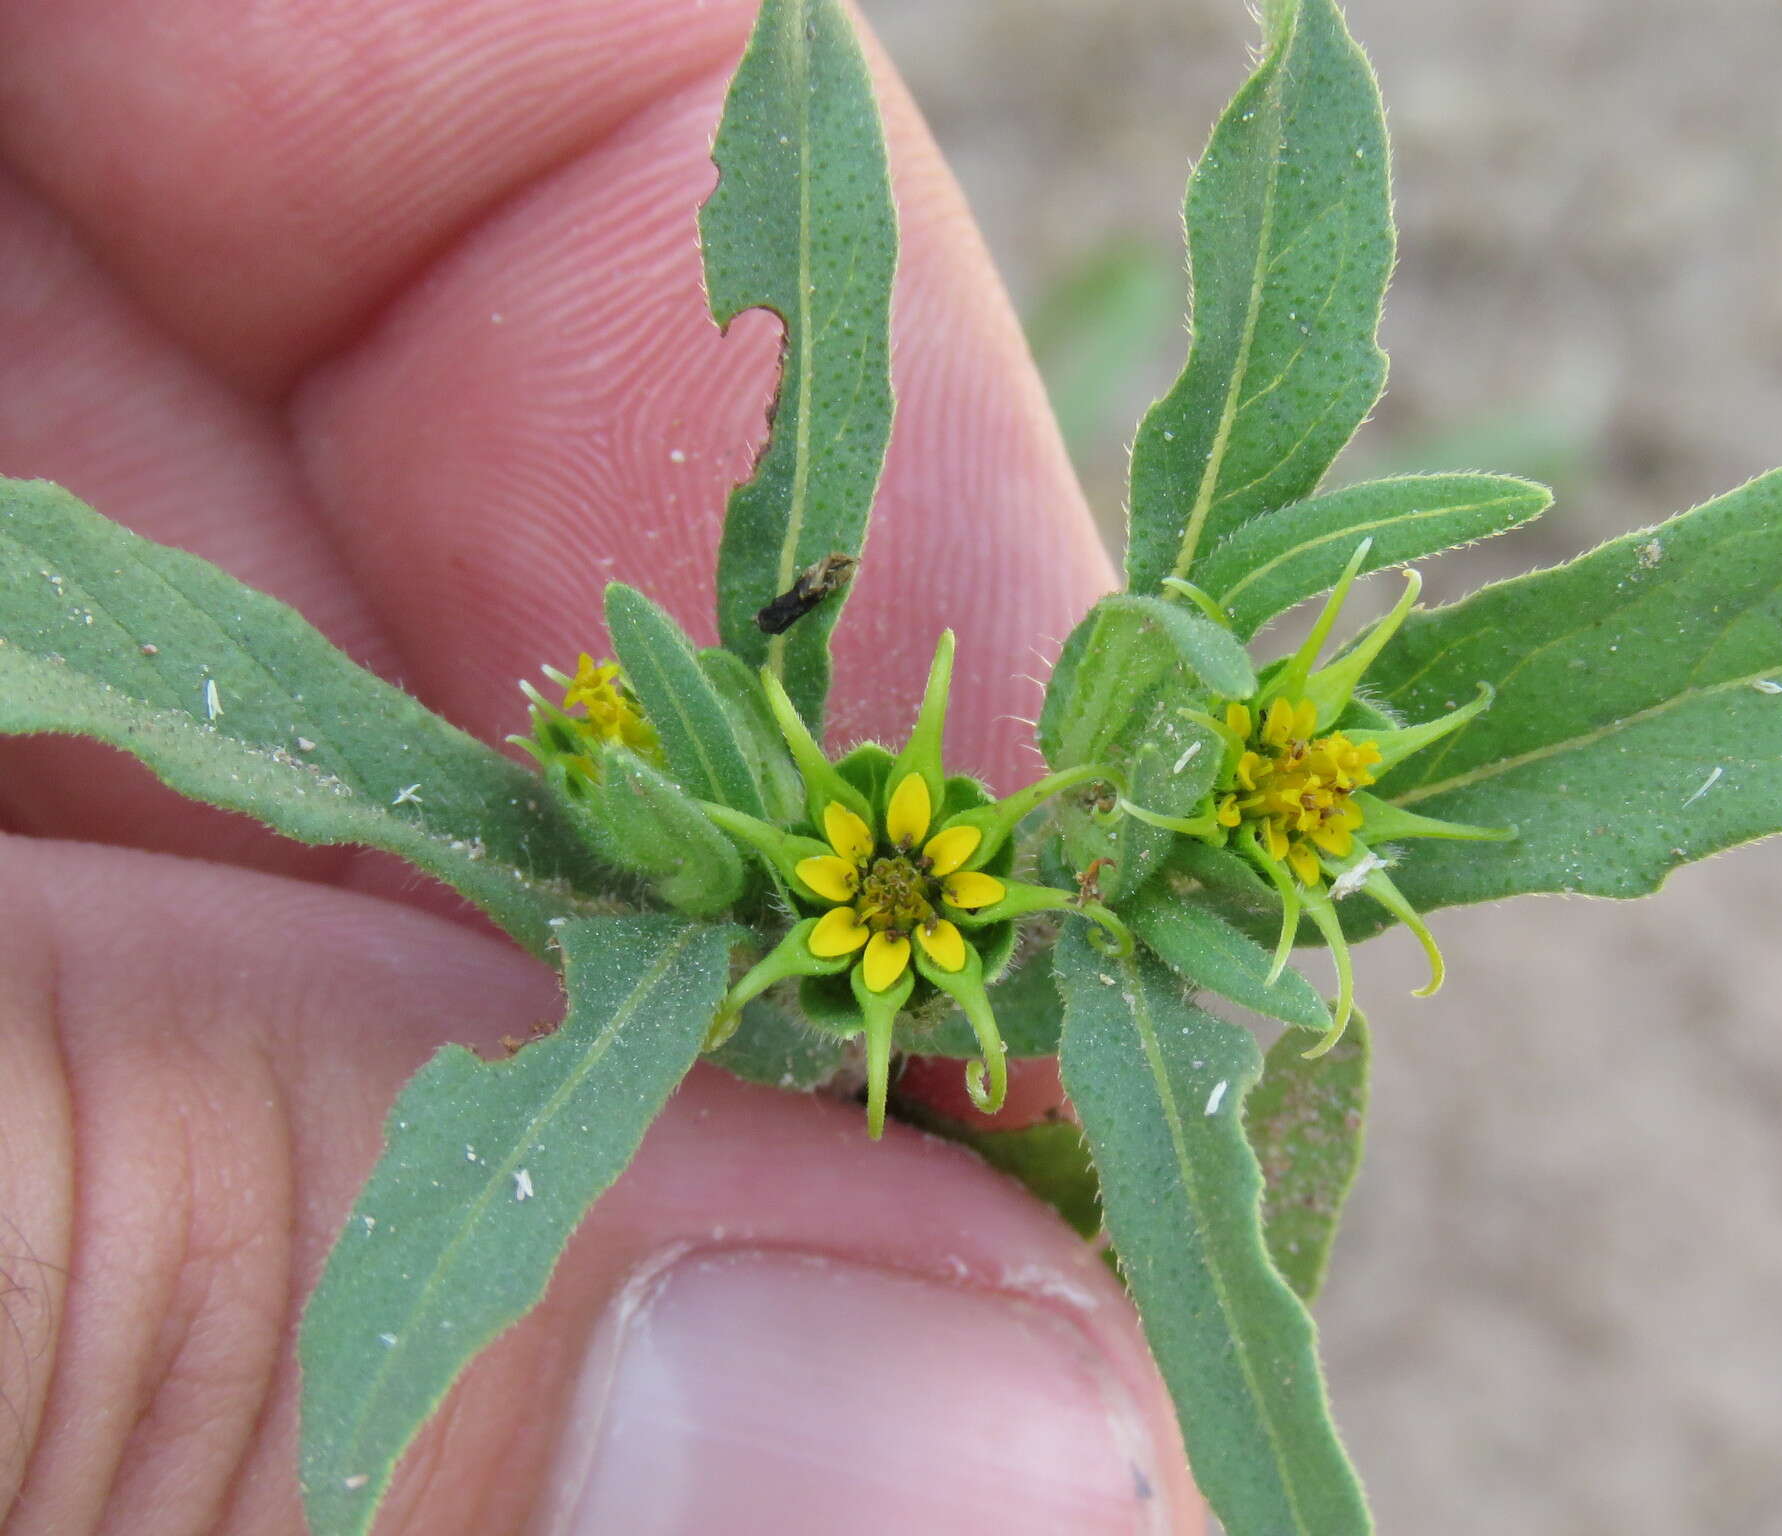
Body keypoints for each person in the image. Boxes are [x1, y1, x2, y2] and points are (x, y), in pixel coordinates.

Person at [0, 2, 1203, 1528]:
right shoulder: (852, 890)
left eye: (912, 893)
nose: (906, 890)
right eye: (897, 889)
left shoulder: (887, 909)